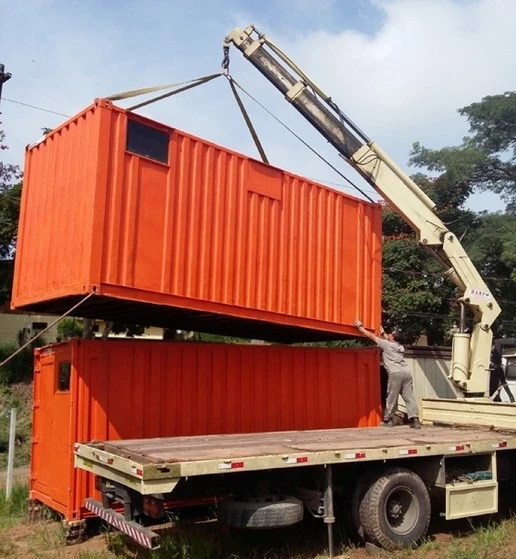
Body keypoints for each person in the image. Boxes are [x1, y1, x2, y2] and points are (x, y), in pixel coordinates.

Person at [354, 319, 421, 429]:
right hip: (406, 373)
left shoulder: (386, 345)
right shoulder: (400, 347)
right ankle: (415, 420)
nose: (389, 335)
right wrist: (383, 332)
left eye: (391, 334)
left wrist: (360, 328)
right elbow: (388, 342)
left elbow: (372, 336)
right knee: (409, 397)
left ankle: (388, 420)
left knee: (392, 396)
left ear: (393, 337)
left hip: (395, 374)